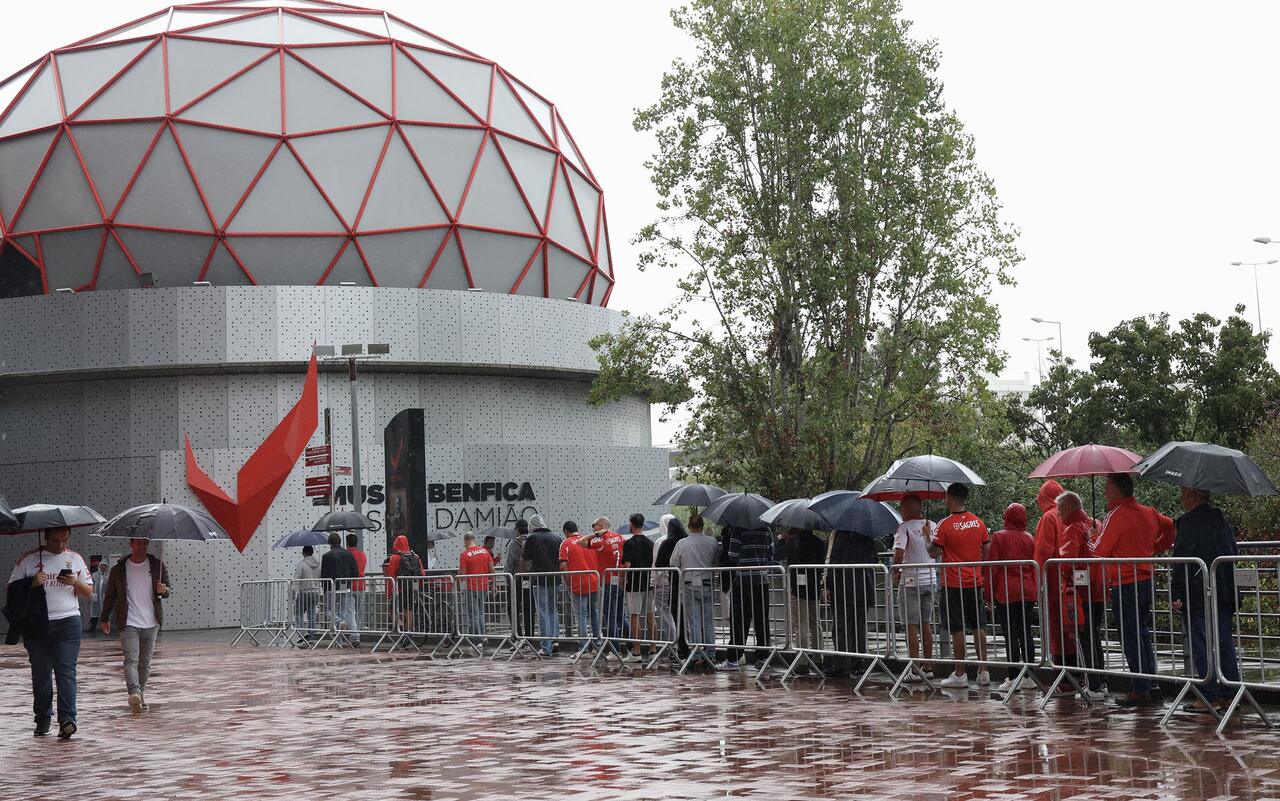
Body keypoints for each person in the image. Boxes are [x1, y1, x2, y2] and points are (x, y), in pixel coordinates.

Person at [1089, 472, 1175, 707]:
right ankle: (1152, 684)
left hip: (1125, 582)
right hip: (1146, 580)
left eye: (1107, 487)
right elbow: (1171, 527)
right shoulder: (1149, 512)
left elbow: (1100, 551)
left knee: (1130, 636)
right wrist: (1155, 548)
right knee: (1143, 633)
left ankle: (1140, 688)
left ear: (1117, 491)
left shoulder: (1116, 515)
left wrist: (1092, 537)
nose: (1105, 492)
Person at [9, 527, 93, 738]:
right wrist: (32, 582)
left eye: (65, 540)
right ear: (45, 538)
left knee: (66, 671)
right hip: (37, 625)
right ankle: (43, 717)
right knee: (41, 675)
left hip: (68, 623)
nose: (61, 545)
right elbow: (11, 591)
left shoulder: (75, 559)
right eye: (56, 541)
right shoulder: (28, 560)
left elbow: (89, 593)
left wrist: (75, 582)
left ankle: (67, 719)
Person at [1170, 487, 1240, 712]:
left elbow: (1181, 560)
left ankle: (1209, 696)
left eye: (1183, 494)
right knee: (1224, 642)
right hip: (1224, 591)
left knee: (1201, 643)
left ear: (1192, 497)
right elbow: (1234, 553)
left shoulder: (1188, 523)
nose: (1181, 498)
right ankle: (1231, 694)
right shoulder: (1222, 522)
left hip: (1197, 593)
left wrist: (1177, 593)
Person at [928, 483, 990, 689]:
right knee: (978, 625)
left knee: (957, 627)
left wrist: (927, 536)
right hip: (974, 582)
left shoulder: (944, 525)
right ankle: (983, 671)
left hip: (953, 583)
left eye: (946, 496)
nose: (944, 500)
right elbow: (986, 548)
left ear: (951, 498)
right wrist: (980, 570)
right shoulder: (978, 522)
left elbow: (933, 552)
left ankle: (960, 672)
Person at [99, 537, 172, 710]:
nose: (141, 546)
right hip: (128, 621)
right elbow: (110, 595)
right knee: (131, 659)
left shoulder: (157, 566)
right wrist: (104, 618)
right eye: (138, 543)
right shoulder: (119, 569)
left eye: (144, 543)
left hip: (152, 621)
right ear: (131, 544)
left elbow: (168, 590)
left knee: (145, 663)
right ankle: (134, 692)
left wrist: (164, 590)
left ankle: (140, 693)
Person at [1055, 491, 1107, 701]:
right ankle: (1101, 683)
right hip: (1099, 588)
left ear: (1068, 508)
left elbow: (1067, 562)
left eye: (1059, 509)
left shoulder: (1072, 529)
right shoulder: (1097, 524)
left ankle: (1092, 686)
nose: (1058, 514)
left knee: (1084, 639)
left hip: (1081, 592)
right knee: (1095, 636)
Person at [984, 502, 1039, 691]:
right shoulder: (1029, 537)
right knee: (1025, 633)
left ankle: (1013, 677)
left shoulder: (999, 537)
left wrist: (988, 593)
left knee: (1011, 634)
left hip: (1006, 592)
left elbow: (993, 567)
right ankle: (1030, 676)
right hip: (1027, 591)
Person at [1033, 479, 1077, 678]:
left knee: (1057, 626)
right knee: (1074, 625)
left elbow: (1043, 551)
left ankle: (1063, 676)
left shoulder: (1048, 517)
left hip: (1053, 580)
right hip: (1073, 579)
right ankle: (1079, 673)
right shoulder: (1072, 514)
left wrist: (1039, 580)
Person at [892, 494, 936, 680]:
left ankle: (914, 668)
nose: (900, 511)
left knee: (911, 625)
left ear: (908, 508)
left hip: (910, 581)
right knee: (926, 623)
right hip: (930, 580)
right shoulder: (932, 525)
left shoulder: (904, 527)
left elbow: (899, 553)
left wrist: (895, 571)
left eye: (901, 507)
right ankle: (928, 666)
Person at [826, 528, 880, 677]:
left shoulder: (839, 535)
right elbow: (875, 559)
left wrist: (827, 585)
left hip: (842, 587)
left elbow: (833, 561)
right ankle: (858, 662)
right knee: (859, 626)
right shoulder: (867, 536)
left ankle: (841, 663)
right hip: (863, 586)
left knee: (841, 626)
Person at [669, 515, 721, 668]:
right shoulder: (712, 541)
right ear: (703, 525)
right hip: (708, 582)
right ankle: (711, 653)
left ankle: (697, 654)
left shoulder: (682, 543)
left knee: (694, 621)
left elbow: (673, 562)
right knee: (708, 620)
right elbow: (716, 561)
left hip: (689, 583)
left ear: (689, 526)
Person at [723, 523, 774, 670]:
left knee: (739, 620)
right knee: (761, 620)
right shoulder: (766, 529)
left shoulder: (738, 529)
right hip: (762, 580)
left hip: (743, 580)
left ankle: (734, 658)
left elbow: (732, 555)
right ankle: (763, 657)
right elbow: (771, 555)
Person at [776, 526, 825, 665]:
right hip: (814, 586)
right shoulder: (819, 542)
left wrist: (782, 539)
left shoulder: (794, 542)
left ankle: (803, 661)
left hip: (798, 587)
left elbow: (777, 555)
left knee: (800, 624)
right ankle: (818, 658)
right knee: (815, 623)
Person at [584, 516, 628, 649]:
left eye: (594, 525)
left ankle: (615, 650)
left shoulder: (601, 540)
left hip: (608, 581)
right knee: (621, 616)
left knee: (609, 616)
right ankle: (632, 647)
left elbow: (580, 542)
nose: (593, 528)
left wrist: (596, 534)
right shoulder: (620, 537)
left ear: (601, 526)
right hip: (620, 580)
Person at [522, 515, 562, 656]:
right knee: (553, 610)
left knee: (542, 612)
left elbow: (526, 557)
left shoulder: (532, 538)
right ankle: (555, 640)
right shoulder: (557, 538)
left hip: (539, 580)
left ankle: (545, 646)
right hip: (556, 579)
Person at [559, 521, 601, 650]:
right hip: (594, 581)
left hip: (578, 584)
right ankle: (597, 644)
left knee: (581, 616)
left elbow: (563, 566)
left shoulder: (565, 544)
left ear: (566, 532)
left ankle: (583, 647)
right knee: (594, 613)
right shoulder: (587, 541)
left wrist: (568, 584)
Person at [654, 515, 691, 660]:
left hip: (674, 584)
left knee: (677, 616)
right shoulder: (685, 541)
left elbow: (659, 564)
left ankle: (683, 648)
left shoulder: (666, 543)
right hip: (688, 583)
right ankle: (697, 648)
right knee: (692, 617)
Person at [622, 515, 657, 662]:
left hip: (634, 584)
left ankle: (636, 652)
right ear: (643, 525)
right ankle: (653, 649)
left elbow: (627, 565)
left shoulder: (629, 544)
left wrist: (623, 580)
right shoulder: (651, 543)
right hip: (648, 583)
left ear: (631, 524)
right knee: (650, 616)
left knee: (635, 616)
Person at [321, 531, 361, 646]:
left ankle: (338, 624)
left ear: (329, 543)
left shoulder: (326, 556)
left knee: (329, 610)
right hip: (345, 587)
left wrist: (325, 589)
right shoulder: (348, 555)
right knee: (344, 611)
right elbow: (355, 572)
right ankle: (342, 629)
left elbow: (324, 575)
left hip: (331, 587)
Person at [384, 535, 425, 633]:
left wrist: (389, 593)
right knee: (409, 610)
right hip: (412, 588)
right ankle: (408, 632)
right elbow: (422, 574)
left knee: (392, 611)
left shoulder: (395, 557)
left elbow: (391, 577)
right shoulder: (415, 556)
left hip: (399, 588)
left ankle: (400, 625)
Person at [458, 533, 494, 636]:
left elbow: (462, 575)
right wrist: (494, 585)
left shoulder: (465, 555)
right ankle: (483, 636)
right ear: (474, 539)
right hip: (484, 586)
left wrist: (458, 585)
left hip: (471, 587)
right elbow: (492, 570)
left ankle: (477, 639)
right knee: (481, 612)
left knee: (474, 614)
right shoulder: (485, 552)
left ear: (465, 541)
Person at [505, 520, 534, 642]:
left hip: (516, 580)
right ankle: (529, 637)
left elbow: (509, 565)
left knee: (513, 608)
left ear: (517, 529)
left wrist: (508, 580)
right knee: (529, 608)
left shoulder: (513, 544)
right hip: (530, 580)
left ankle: (517, 636)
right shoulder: (532, 541)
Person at [651, 514, 678, 646]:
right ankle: (679, 643)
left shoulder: (660, 541)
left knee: (666, 615)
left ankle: (671, 644)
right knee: (676, 614)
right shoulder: (680, 539)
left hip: (662, 583)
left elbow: (656, 564)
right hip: (676, 582)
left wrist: (653, 582)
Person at [291, 545, 323, 638]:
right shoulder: (318, 564)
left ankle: (301, 634)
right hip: (315, 592)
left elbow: (296, 580)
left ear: (303, 553)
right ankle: (312, 634)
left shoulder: (301, 564)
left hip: (303, 592)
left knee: (298, 612)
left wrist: (294, 593)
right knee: (312, 613)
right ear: (312, 552)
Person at [88, 561, 110, 634]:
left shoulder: (108, 575)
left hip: (105, 597)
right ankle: (93, 627)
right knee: (95, 612)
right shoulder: (94, 575)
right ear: (99, 567)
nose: (103, 567)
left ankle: (106, 628)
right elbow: (91, 584)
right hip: (96, 596)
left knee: (106, 612)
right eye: (102, 566)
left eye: (105, 566)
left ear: (107, 567)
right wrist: (92, 594)